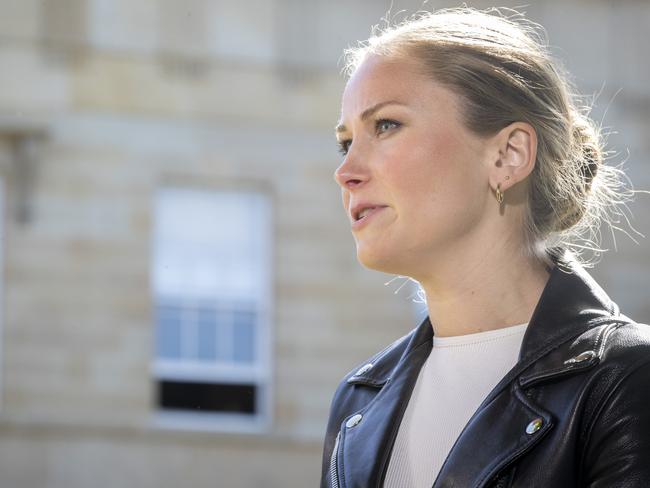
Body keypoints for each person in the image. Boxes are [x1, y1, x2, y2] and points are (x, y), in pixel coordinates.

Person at [320, 7, 650, 488]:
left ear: (508, 155)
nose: (346, 170)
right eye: (345, 142)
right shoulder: (358, 402)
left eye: (386, 125)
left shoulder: (625, 380)